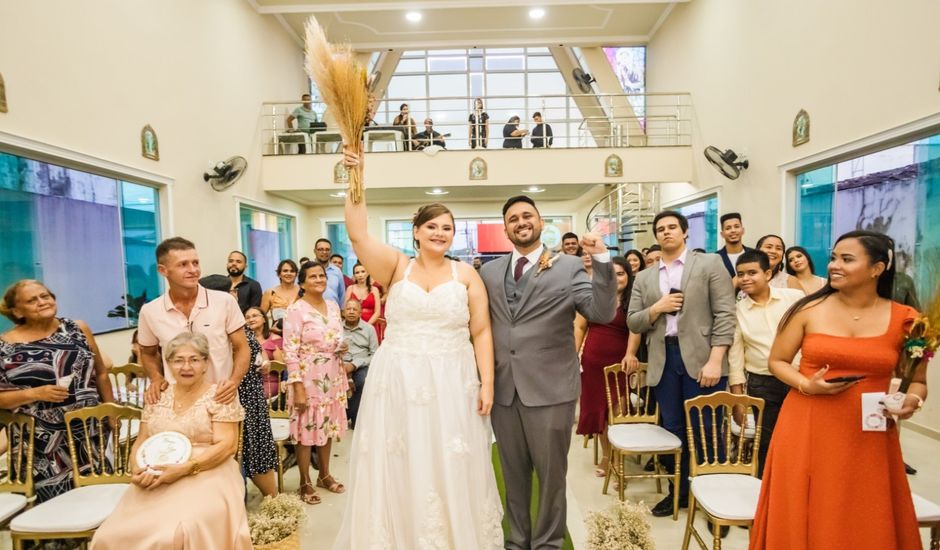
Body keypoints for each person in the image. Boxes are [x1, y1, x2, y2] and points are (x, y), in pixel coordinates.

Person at [334, 147, 502, 549]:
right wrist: (356, 180)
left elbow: (481, 331)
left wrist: (487, 383)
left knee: (450, 457)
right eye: (432, 227)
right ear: (416, 231)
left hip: (452, 377)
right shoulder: (395, 266)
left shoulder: (465, 275)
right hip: (399, 377)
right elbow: (357, 234)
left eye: (447, 227)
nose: (440, 233)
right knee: (400, 455)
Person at [750, 231, 925, 549]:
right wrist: (807, 384)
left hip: (868, 434)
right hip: (807, 424)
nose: (834, 266)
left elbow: (917, 380)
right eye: (833, 258)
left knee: (862, 513)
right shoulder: (807, 309)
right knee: (807, 508)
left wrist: (912, 400)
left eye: (847, 259)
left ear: (877, 268)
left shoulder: (907, 320)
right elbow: (777, 361)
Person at [481, 195, 616, 550]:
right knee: (512, 473)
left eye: (528, 215)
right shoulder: (489, 273)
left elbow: (601, 312)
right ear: (505, 228)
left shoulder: (568, 267)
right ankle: (517, 540)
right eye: (513, 218)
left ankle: (548, 543)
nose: (521, 222)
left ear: (541, 222)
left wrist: (601, 260)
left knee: (552, 474)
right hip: (504, 390)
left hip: (552, 388)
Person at [90, 332, 251, 550]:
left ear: (205, 364)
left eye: (194, 360)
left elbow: (226, 446)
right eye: (178, 360)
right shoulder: (156, 396)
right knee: (111, 535)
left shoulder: (219, 396)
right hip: (156, 472)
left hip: (208, 472)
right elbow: (142, 439)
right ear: (169, 364)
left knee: (175, 533)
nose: (186, 367)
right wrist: (136, 468)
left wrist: (186, 468)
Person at [627, 210, 736, 517]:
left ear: (685, 231)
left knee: (708, 430)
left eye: (672, 227)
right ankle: (681, 493)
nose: (666, 232)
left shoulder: (709, 264)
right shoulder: (645, 277)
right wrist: (657, 308)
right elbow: (633, 322)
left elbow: (726, 314)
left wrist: (716, 359)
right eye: (660, 229)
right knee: (672, 431)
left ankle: (716, 502)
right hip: (664, 358)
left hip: (703, 358)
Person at [0, 280, 115, 502]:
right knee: (54, 504)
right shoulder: (5, 347)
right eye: (32, 300)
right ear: (16, 311)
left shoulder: (77, 329)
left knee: (101, 498)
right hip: (39, 442)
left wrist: (111, 413)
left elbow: (101, 373)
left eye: (46, 296)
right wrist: (34, 394)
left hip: (88, 431)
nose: (42, 302)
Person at [137, 237, 250, 408]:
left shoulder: (224, 302)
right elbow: (147, 352)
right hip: (177, 403)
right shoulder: (150, 311)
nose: (193, 270)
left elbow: (242, 347)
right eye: (183, 265)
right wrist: (156, 377)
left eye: (195, 263)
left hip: (220, 399)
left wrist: (234, 382)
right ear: (163, 270)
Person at [727, 250, 803, 477]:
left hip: (800, 380)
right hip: (763, 383)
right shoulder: (738, 311)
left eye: (752, 273)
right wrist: (738, 401)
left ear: (768, 273)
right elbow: (735, 357)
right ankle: (764, 493)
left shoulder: (794, 298)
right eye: (741, 274)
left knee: (799, 440)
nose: (745, 279)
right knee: (767, 442)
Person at [284, 262, 349, 505]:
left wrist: (342, 346)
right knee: (306, 431)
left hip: (332, 374)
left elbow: (336, 338)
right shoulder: (295, 310)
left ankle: (324, 474)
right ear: (302, 283)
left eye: (322, 275)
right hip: (307, 375)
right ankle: (304, 480)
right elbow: (289, 351)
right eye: (313, 277)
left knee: (328, 426)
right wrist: (297, 387)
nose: (320, 279)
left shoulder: (333, 306)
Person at [574, 256, 643, 477]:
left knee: (618, 413)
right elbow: (579, 327)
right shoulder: (593, 298)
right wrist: (573, 356)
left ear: (628, 276)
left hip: (620, 365)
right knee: (601, 415)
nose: (616, 278)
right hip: (593, 365)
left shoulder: (634, 299)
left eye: (621, 274)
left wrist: (631, 354)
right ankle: (607, 457)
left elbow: (636, 329)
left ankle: (618, 459)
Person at [340, 300, 378, 429]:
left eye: (354, 309)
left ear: (360, 313)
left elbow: (375, 355)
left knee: (363, 381)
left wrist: (355, 364)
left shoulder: (369, 329)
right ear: (343, 312)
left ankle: (353, 416)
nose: (351, 312)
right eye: (348, 309)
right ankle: (339, 417)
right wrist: (342, 363)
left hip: (361, 364)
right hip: (340, 363)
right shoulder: (336, 328)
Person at [343, 262, 383, 342]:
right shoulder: (350, 288)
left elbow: (377, 312)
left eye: (363, 271)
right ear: (354, 275)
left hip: (371, 324)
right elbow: (345, 308)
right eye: (357, 272)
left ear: (367, 273)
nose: (360, 275)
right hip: (353, 324)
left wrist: (366, 326)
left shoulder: (374, 290)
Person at [716, 213, 755, 279]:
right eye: (728, 228)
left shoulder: (754, 254)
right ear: (722, 234)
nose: (733, 230)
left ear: (743, 230)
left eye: (736, 227)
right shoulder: (716, 258)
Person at [260, 259, 300, 323]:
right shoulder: (270, 292)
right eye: (285, 271)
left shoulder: (303, 291)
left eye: (292, 271)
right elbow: (261, 317)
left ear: (296, 274)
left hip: (302, 331)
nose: (289, 273)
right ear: (279, 274)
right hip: (277, 331)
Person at [313, 238, 347, 306]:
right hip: (311, 312)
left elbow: (342, 296)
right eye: (321, 249)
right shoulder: (307, 270)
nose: (324, 252)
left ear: (331, 252)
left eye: (327, 249)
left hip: (333, 312)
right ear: (315, 251)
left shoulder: (337, 271)